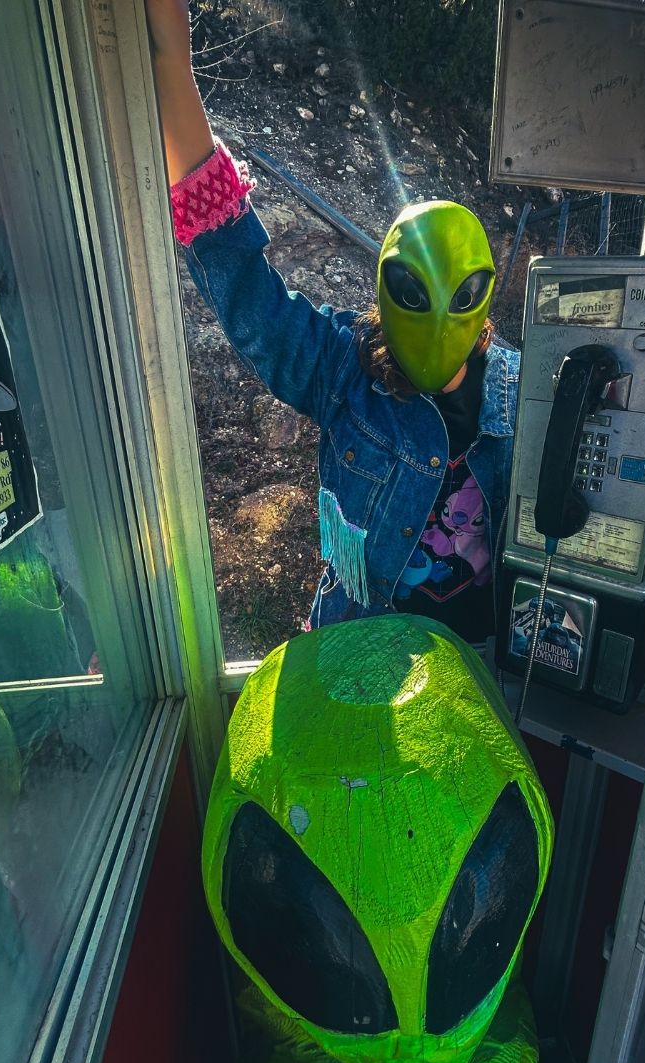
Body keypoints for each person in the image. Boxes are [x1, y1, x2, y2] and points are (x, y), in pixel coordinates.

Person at [147, 0, 518, 645]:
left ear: (481, 300)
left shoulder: (520, 397)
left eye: (457, 298)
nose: (436, 327)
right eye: (413, 294)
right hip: (356, 651)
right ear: (385, 292)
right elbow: (246, 291)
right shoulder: (345, 370)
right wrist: (171, 69)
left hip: (470, 670)